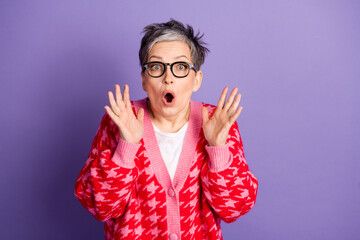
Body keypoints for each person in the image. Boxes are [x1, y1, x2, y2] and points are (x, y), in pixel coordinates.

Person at [75, 19, 258, 240]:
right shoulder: (120, 119)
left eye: (180, 67)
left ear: (196, 79)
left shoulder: (218, 121)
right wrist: (126, 147)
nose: (168, 78)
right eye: (156, 67)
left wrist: (218, 148)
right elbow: (100, 207)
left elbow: (234, 209)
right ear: (143, 79)